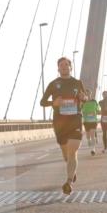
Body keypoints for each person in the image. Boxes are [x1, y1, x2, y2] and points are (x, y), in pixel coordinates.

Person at [40, 57, 87, 194]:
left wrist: (83, 98)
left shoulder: (77, 83)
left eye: (67, 64)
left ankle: (68, 181)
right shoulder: (53, 84)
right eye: (61, 65)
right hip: (60, 123)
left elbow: (84, 99)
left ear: (71, 67)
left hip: (75, 120)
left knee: (72, 152)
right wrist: (53, 103)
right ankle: (72, 172)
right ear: (58, 68)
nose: (64, 67)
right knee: (66, 155)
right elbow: (42, 102)